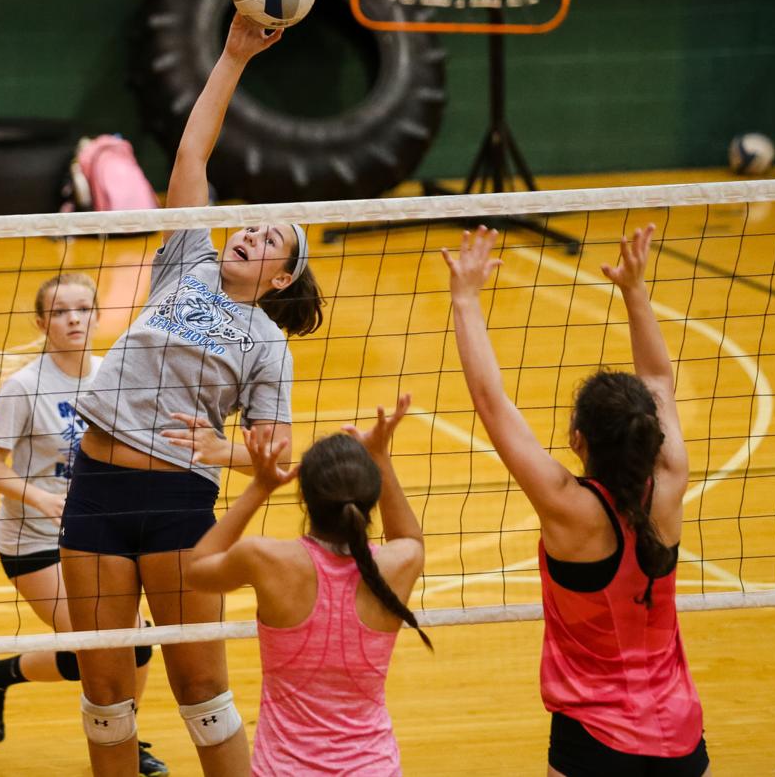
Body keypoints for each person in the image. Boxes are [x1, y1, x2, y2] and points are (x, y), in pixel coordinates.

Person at [58, 13, 325, 777]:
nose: (250, 235)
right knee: (106, 692)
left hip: (179, 503)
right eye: (251, 226)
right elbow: (191, 151)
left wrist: (227, 448)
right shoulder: (186, 260)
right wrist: (234, 55)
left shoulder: (265, 344)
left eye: (271, 241)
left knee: (200, 685)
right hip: (97, 489)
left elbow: (278, 461)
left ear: (279, 279)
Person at [443, 225, 710, 777]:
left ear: (578, 441)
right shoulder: (671, 481)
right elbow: (659, 378)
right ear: (651, 439)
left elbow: (491, 404)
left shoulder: (570, 508)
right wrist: (635, 290)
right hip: (682, 737)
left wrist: (465, 298)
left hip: (594, 740)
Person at [0, 272, 168, 777]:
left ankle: (128, 740)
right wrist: (42, 500)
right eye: (59, 312)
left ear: (98, 316)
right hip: (34, 540)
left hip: (100, 534)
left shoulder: (114, 374)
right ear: (42, 322)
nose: (73, 319)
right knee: (90, 652)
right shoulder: (24, 387)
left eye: (82, 309)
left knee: (134, 643)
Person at [185, 396, 429, 776]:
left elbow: (197, 569)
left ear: (305, 498)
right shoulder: (399, 564)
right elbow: (410, 538)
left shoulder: (266, 559)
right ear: (371, 499)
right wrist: (380, 456)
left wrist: (261, 487)